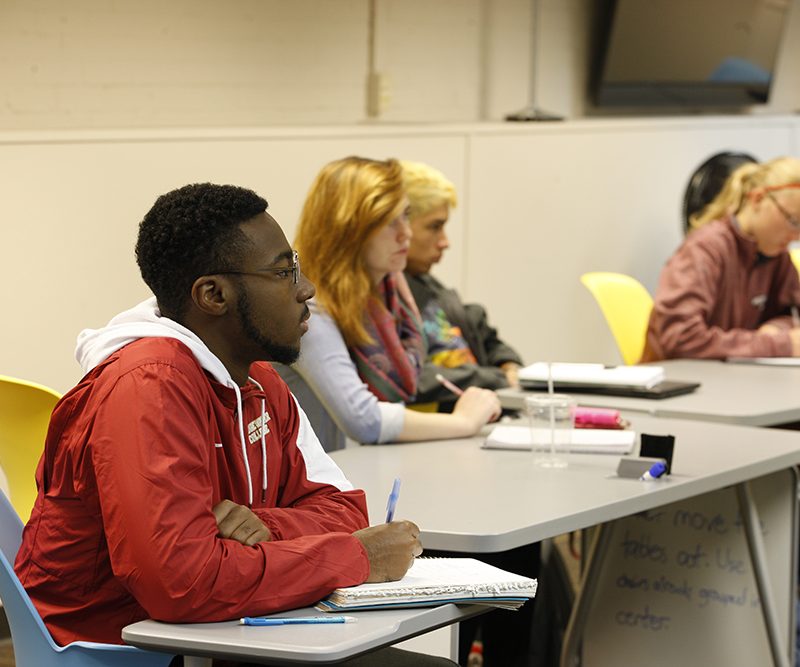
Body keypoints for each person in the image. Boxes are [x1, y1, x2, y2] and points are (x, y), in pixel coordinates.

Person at [14, 183, 455, 667]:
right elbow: (182, 584)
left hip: (228, 630)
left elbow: (344, 510)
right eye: (284, 273)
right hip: (128, 651)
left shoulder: (259, 379)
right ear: (213, 294)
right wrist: (357, 559)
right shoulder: (147, 386)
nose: (305, 290)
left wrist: (264, 524)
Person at [275, 156, 501, 451]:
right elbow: (363, 419)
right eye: (388, 222)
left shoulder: (385, 299)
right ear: (349, 230)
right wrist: (465, 421)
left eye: (406, 216)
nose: (405, 233)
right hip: (310, 489)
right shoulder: (309, 309)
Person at [643, 157, 800, 361]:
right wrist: (777, 345)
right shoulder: (704, 249)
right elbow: (679, 338)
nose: (796, 237)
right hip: (678, 380)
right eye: (793, 220)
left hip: (732, 380)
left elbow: (791, 314)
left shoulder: (776, 255)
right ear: (758, 199)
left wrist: (777, 327)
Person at [400, 160, 523, 410]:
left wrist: (508, 365)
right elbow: (410, 378)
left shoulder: (424, 282)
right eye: (435, 227)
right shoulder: (383, 298)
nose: (445, 242)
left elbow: (479, 330)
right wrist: (497, 379)